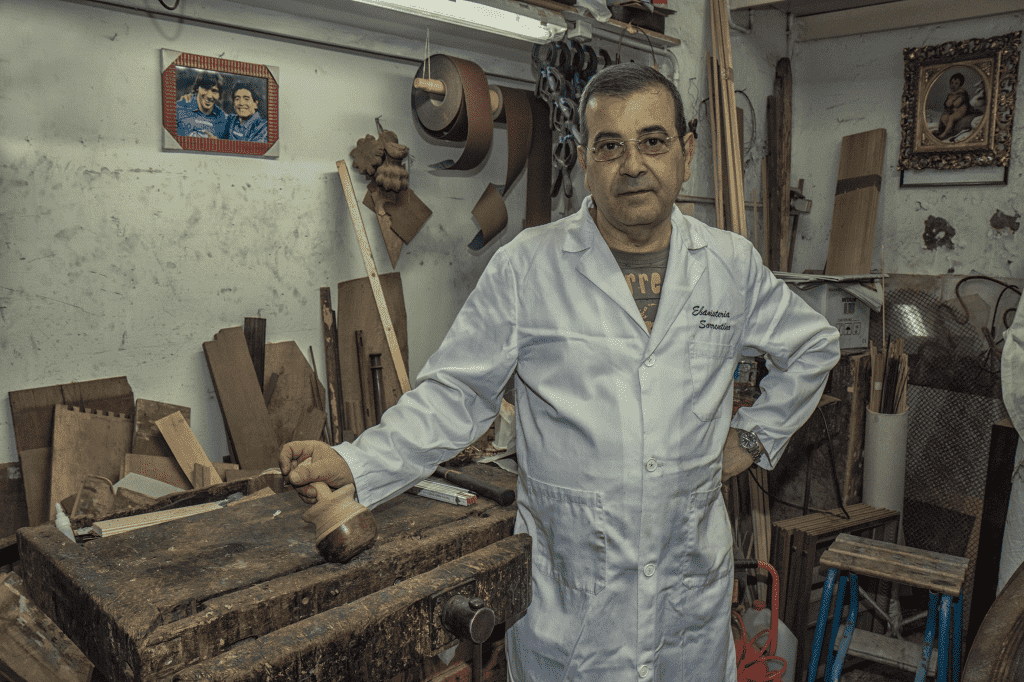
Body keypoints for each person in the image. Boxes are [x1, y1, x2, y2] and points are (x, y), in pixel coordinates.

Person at [279, 63, 840, 681]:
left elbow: (813, 346)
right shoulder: (528, 267)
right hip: (572, 612)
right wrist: (356, 464)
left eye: (653, 141)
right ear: (584, 161)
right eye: (610, 146)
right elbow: (456, 395)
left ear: (687, 153)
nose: (633, 165)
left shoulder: (730, 264)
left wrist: (754, 438)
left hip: (689, 609)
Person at [176, 71, 229, 139]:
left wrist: (217, 143)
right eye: (206, 88)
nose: (209, 96)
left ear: (219, 94)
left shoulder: (225, 120)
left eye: (214, 91)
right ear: (197, 88)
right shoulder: (179, 108)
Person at [935, 72, 969, 141]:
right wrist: (951, 99)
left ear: (960, 85)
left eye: (956, 83)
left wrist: (954, 98)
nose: (953, 85)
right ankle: (948, 130)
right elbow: (947, 104)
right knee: (944, 117)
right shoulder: (950, 94)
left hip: (961, 110)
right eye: (952, 83)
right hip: (953, 111)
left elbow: (956, 104)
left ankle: (945, 133)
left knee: (951, 117)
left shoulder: (962, 93)